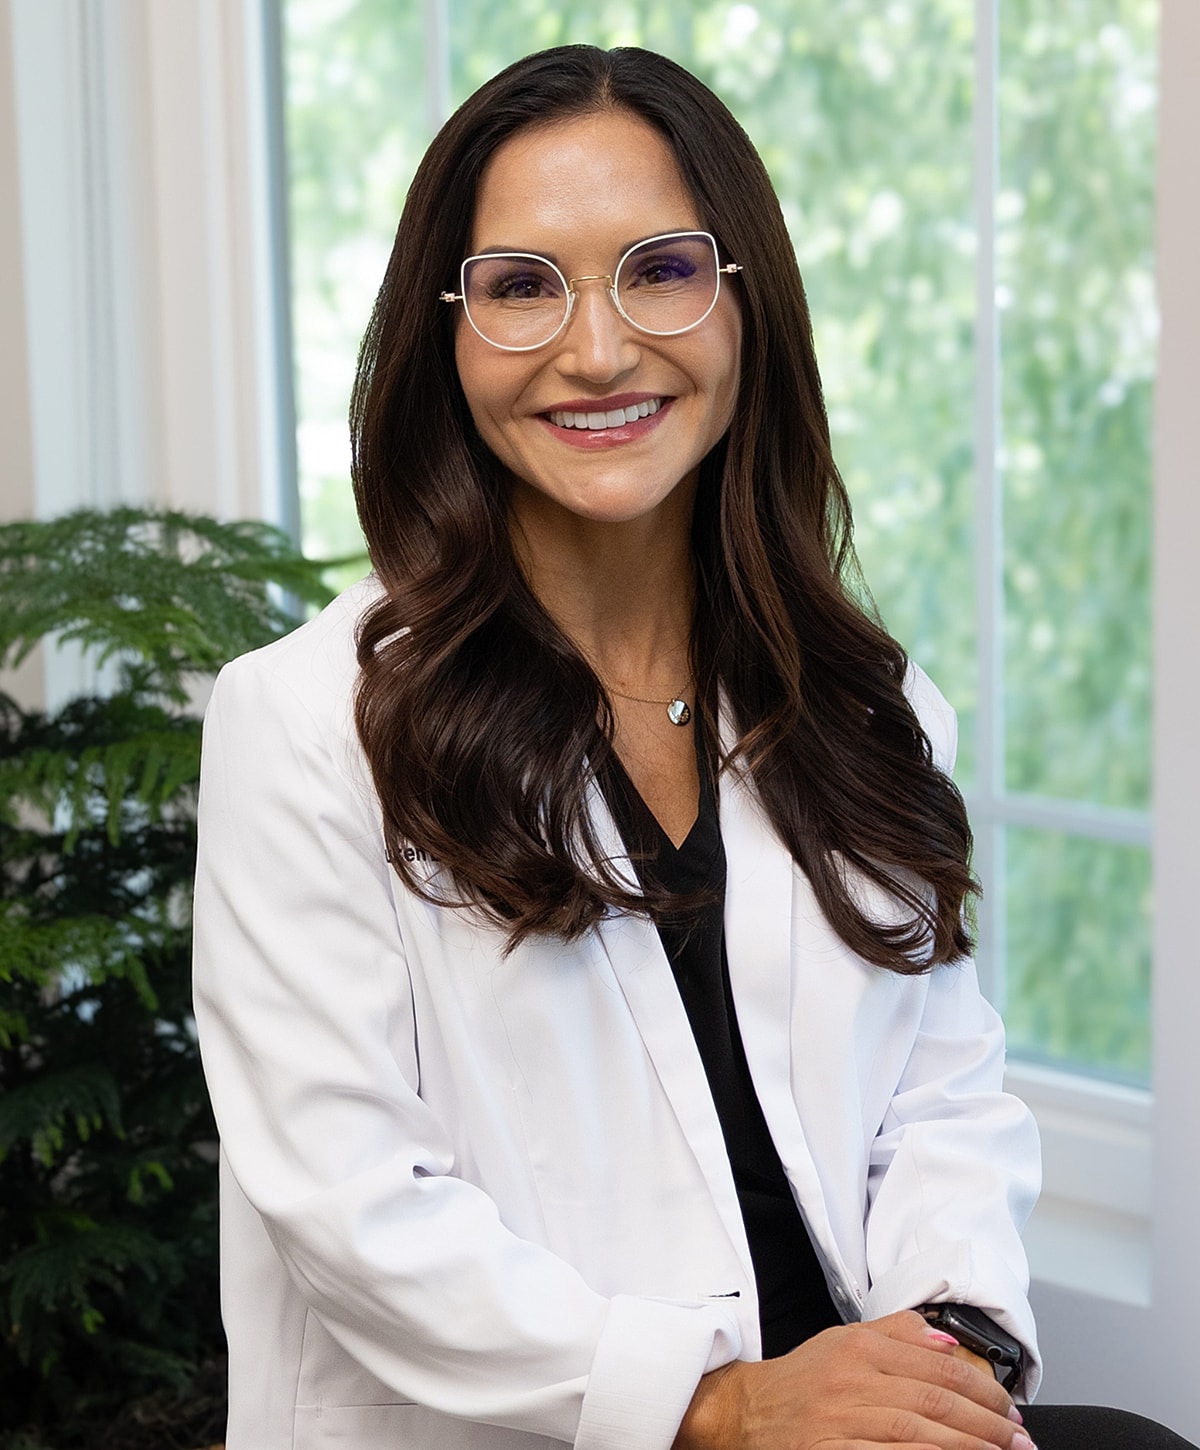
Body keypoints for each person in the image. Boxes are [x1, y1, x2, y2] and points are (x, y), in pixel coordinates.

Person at [192, 44, 1195, 1450]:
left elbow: (942, 1094)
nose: (596, 350)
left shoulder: (860, 697)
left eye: (659, 269)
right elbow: (353, 1206)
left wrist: (945, 1358)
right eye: (522, 286)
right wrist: (720, 1402)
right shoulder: (303, 729)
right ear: (447, 334)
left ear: (744, 304)